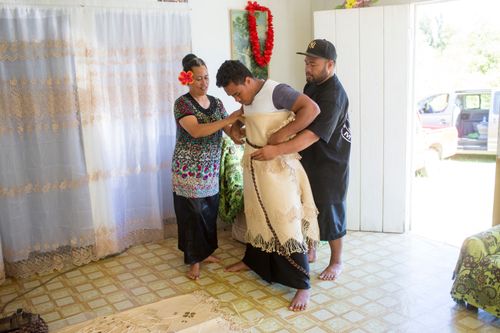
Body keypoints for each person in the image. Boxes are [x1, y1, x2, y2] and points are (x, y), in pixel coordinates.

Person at [215, 60, 320, 311]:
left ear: (248, 80)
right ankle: (255, 262)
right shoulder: (248, 99)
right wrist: (239, 128)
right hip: (255, 167)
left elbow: (311, 109)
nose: (237, 99)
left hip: (279, 169)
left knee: (285, 221)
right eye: (231, 96)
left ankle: (302, 284)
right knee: (258, 217)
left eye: (237, 93)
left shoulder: (276, 91)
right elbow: (251, 118)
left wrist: (281, 136)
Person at [247, 39, 351, 281]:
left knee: (330, 208)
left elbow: (311, 136)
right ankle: (311, 248)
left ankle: (337, 261)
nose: (307, 68)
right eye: (306, 63)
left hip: (330, 162)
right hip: (310, 159)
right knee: (307, 204)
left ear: (330, 65)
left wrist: (278, 149)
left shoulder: (333, 95)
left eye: (313, 64)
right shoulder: (313, 85)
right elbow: (300, 118)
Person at [172, 54, 243, 281]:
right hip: (188, 171)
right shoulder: (182, 104)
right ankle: (194, 260)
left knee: (208, 213)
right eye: (199, 79)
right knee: (192, 214)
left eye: (206, 77)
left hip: (210, 169)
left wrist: (240, 127)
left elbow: (229, 131)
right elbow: (196, 130)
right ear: (187, 79)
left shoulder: (217, 103)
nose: (204, 83)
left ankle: (205, 253)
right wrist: (228, 119)